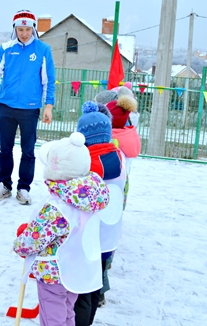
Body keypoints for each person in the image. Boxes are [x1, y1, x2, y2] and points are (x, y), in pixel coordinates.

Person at [13, 132, 109, 326]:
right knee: (67, 313)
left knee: (53, 319)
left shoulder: (57, 206)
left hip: (54, 273)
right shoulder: (90, 197)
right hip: (76, 269)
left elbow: (32, 240)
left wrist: (21, 242)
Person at [0, 10, 56, 205]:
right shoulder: (6, 48)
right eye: (20, 29)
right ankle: (4, 185)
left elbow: (49, 80)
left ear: (34, 29)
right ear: (15, 29)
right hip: (6, 107)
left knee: (28, 151)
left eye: (28, 29)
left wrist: (48, 106)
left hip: (30, 109)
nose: (24, 33)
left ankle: (23, 188)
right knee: (5, 149)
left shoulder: (43, 50)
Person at [75, 101, 127, 325]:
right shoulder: (121, 157)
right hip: (111, 237)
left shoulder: (85, 164)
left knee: (82, 290)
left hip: (89, 238)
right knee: (97, 285)